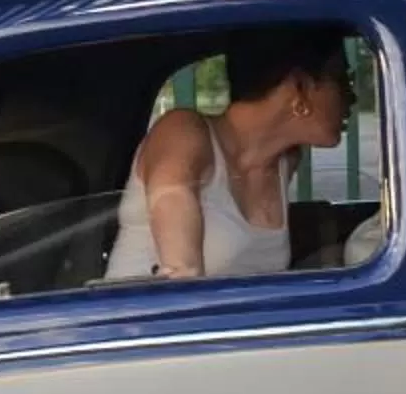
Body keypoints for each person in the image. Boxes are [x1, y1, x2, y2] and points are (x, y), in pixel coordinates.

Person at [106, 27, 353, 281]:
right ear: (300, 86)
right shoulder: (183, 132)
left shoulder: (285, 162)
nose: (352, 97)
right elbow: (182, 274)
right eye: (343, 80)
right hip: (143, 319)